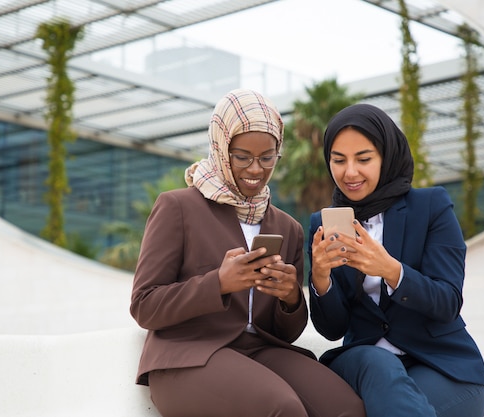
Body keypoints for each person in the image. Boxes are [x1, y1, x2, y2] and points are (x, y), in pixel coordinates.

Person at [130, 89, 366, 417]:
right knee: (283, 409)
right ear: (221, 148)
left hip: (260, 351)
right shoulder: (178, 207)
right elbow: (144, 305)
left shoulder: (287, 227)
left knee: (346, 408)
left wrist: (290, 299)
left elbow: (288, 331)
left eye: (267, 158)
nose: (256, 169)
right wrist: (219, 283)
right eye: (242, 157)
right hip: (188, 357)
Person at [308, 103, 484, 417]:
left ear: (386, 156)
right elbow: (332, 329)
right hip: (364, 361)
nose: (349, 172)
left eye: (363, 159)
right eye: (338, 160)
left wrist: (391, 271)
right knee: (378, 362)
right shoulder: (322, 224)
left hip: (439, 363)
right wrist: (321, 280)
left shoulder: (431, 206)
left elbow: (447, 302)